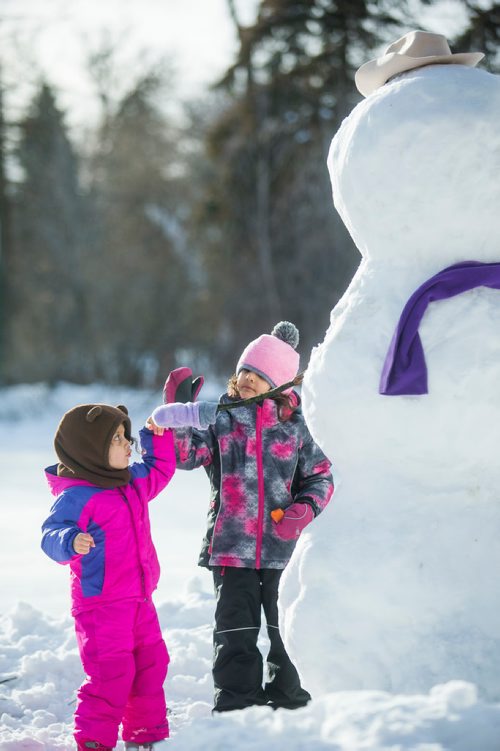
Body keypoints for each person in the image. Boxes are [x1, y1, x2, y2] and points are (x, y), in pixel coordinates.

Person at [152, 321, 334, 713]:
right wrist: (175, 413)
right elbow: (186, 456)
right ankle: (238, 706)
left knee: (285, 630)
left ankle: (291, 701)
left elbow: (321, 476)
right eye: (245, 371)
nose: (248, 379)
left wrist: (304, 509)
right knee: (235, 631)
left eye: (260, 375)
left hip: (283, 550)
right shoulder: (222, 417)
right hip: (231, 547)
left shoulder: (298, 427)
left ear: (280, 383)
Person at [41, 400, 215, 751]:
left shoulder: (130, 482)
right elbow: (50, 534)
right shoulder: (76, 496)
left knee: (151, 665)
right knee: (111, 676)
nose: (127, 444)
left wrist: (156, 434)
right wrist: (71, 540)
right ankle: (94, 742)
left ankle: (144, 737)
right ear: (91, 449)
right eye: (117, 438)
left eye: (126, 436)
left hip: (139, 598)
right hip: (101, 604)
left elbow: (159, 468)